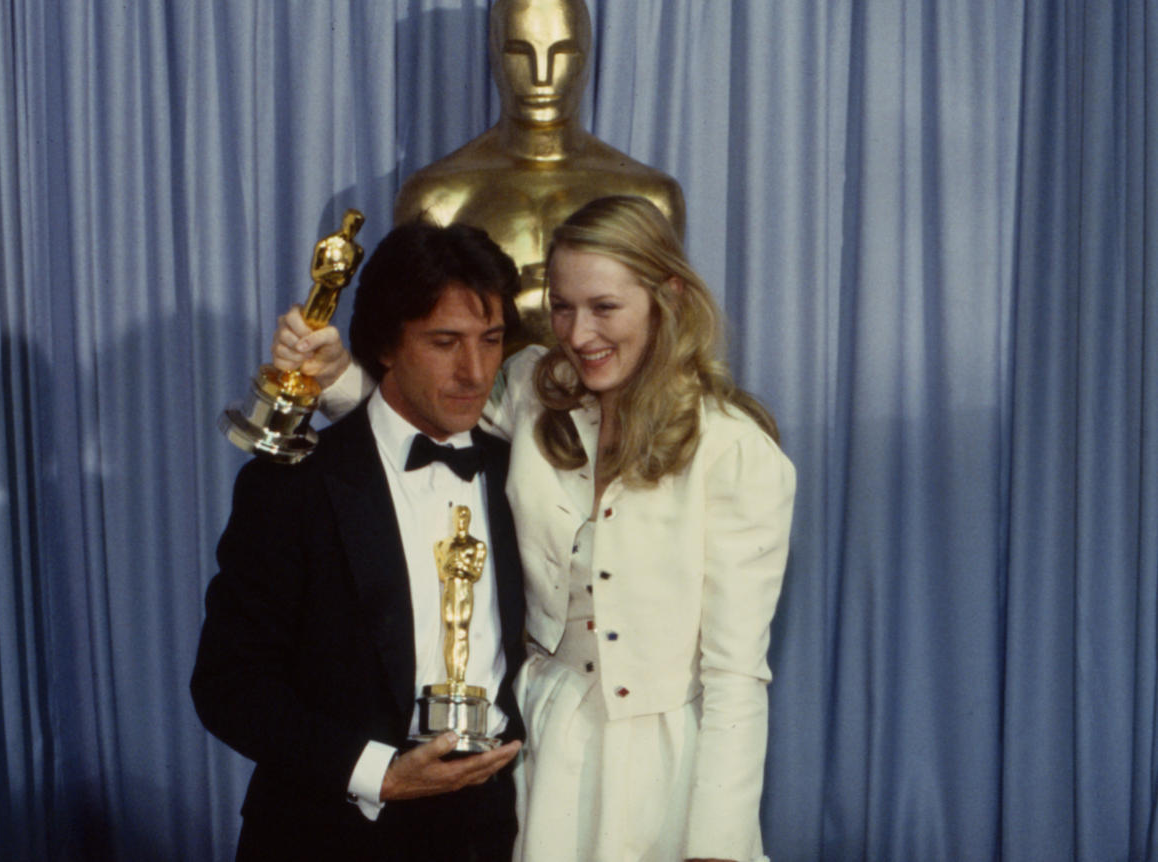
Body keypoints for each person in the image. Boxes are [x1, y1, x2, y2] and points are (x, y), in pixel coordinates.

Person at [273, 196, 796, 862]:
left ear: (667, 296)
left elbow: (735, 676)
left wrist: (715, 847)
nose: (578, 335)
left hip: (661, 769)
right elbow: (425, 438)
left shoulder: (736, 453)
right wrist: (334, 372)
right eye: (562, 307)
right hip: (533, 748)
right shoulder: (530, 386)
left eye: (604, 307)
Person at [191, 221, 528, 862]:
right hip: (326, 832)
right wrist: (382, 774)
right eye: (444, 342)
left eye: (491, 341)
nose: (475, 371)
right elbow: (229, 686)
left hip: (488, 834)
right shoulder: (293, 484)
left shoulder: (521, 472)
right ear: (384, 346)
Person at [395, 0, 685, 346]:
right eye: (520, 53)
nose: (542, 76)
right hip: (479, 396)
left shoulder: (649, 196)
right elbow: (420, 345)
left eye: (562, 52)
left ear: (586, 55)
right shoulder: (436, 197)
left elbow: (666, 339)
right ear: (495, 53)